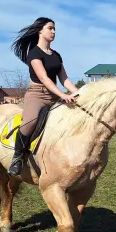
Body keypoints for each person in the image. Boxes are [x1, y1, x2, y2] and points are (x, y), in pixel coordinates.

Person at [8, 17, 79, 175]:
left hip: (54, 95)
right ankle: (17, 157)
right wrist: (63, 95)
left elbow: (64, 79)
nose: (53, 32)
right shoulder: (34, 54)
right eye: (50, 28)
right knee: (29, 122)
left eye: (54, 29)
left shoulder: (56, 55)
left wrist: (77, 93)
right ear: (40, 30)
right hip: (37, 95)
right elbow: (44, 79)